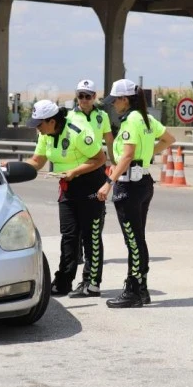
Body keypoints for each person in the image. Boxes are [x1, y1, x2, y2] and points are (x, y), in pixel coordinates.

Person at [97, 79, 175, 308]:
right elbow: (170, 139)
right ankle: (141, 289)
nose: (113, 105)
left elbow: (127, 156)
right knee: (138, 239)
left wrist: (108, 182)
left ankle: (134, 291)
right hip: (143, 183)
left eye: (114, 101)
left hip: (128, 186)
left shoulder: (131, 121)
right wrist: (149, 153)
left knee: (133, 241)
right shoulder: (146, 118)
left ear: (124, 99)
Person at [25, 99, 107, 297]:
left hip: (90, 184)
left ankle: (91, 283)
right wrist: (9, 168)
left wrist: (74, 172)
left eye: (39, 124)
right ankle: (63, 281)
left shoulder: (77, 131)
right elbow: (37, 161)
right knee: (69, 235)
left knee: (90, 236)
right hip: (67, 186)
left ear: (52, 121)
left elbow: (100, 159)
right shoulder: (45, 135)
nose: (37, 128)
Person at [70, 79, 115, 268]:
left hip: (97, 167)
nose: (84, 100)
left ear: (94, 97)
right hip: (77, 169)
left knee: (97, 211)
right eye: (81, 96)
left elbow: (109, 139)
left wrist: (113, 160)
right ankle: (78, 251)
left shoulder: (102, 116)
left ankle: (90, 248)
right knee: (76, 214)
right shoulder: (70, 117)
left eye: (88, 96)